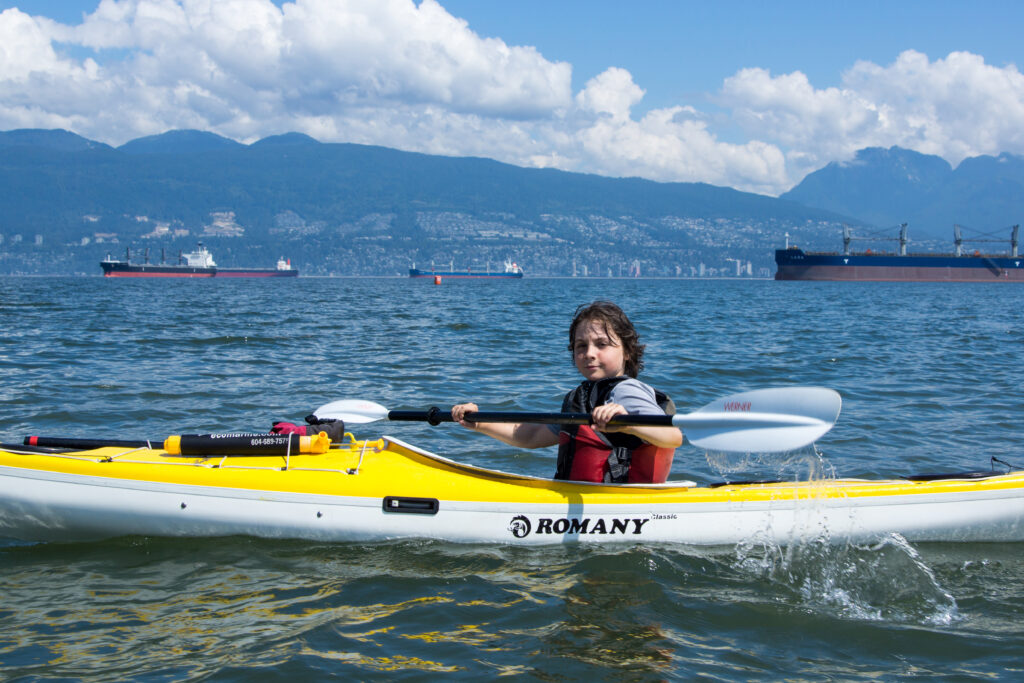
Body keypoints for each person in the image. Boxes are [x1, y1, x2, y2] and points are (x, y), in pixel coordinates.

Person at [451, 301, 682, 483]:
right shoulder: (578, 398)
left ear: (628, 352)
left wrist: (627, 423)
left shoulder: (626, 390)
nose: (590, 353)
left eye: (602, 344)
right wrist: (478, 422)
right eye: (581, 346)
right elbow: (530, 436)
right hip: (583, 496)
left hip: (619, 504)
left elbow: (673, 437)